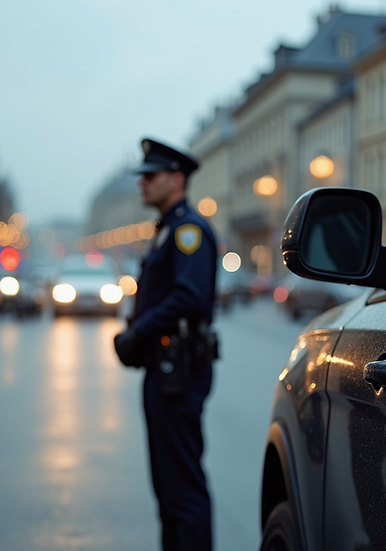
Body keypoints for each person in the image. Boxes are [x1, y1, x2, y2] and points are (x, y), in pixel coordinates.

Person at [113, 137, 218, 551]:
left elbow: (188, 296)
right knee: (168, 486)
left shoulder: (188, 231)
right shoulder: (169, 229)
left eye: (150, 176)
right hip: (165, 367)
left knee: (182, 486)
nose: (142, 183)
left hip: (179, 368)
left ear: (176, 180)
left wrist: (139, 331)